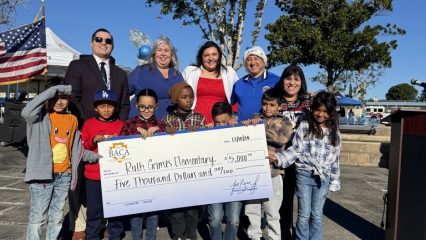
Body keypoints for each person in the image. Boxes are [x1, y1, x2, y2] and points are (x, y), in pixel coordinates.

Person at [64, 28, 130, 240]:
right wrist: (91, 124)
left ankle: (106, 222)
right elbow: (72, 97)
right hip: (84, 130)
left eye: (108, 40)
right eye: (99, 39)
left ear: (113, 45)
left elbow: (124, 104)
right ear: (92, 43)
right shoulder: (78, 66)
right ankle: (79, 224)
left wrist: (120, 128)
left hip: (114, 136)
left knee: (110, 182)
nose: (103, 43)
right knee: (79, 181)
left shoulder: (120, 73)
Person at [21, 85, 100, 240]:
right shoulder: (39, 117)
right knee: (38, 217)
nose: (59, 102)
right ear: (47, 97)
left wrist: (98, 156)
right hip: (42, 176)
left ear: (69, 99)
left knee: (56, 217)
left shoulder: (72, 119)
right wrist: (54, 89)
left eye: (63, 98)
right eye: (54, 98)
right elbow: (26, 111)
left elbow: (77, 149)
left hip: (64, 175)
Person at [269, 91, 341, 240]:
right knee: (303, 214)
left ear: (331, 113)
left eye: (325, 112)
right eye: (317, 110)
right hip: (304, 175)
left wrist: (334, 180)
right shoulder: (304, 126)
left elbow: (335, 159)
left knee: (316, 214)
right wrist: (278, 158)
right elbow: (295, 150)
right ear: (312, 108)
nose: (320, 114)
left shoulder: (335, 132)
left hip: (323, 178)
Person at [244, 88, 293, 240]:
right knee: (252, 209)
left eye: (272, 105)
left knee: (272, 211)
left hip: (274, 172)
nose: (268, 108)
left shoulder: (285, 121)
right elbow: (244, 137)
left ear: (279, 106)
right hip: (254, 172)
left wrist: (258, 129)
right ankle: (255, 236)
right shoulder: (254, 117)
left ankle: (274, 237)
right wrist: (247, 126)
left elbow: (281, 139)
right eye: (265, 104)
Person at [120, 88, 167, 240]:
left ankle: (151, 237)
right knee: (136, 213)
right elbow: (120, 148)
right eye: (142, 106)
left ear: (156, 107)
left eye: (150, 107)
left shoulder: (162, 126)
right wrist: (134, 136)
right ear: (137, 106)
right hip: (134, 177)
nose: (146, 110)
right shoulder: (129, 125)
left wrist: (160, 132)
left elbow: (171, 146)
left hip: (154, 177)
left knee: (153, 213)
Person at [274, 65, 313, 239]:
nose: (292, 83)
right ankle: (285, 233)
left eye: (296, 79)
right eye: (288, 78)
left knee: (306, 204)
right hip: (282, 156)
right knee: (285, 200)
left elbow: (327, 112)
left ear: (302, 82)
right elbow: (263, 118)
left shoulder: (309, 102)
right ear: (282, 80)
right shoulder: (274, 101)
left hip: (304, 159)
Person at [80, 90, 125, 240]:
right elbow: (82, 148)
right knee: (94, 210)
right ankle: (92, 235)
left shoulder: (121, 125)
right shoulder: (89, 124)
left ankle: (115, 235)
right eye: (102, 106)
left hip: (115, 176)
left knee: (116, 208)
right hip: (94, 176)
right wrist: (93, 141)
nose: (106, 110)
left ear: (115, 108)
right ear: (95, 108)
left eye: (110, 106)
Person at [163, 82, 206, 240]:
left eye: (191, 97)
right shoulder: (167, 121)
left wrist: (200, 134)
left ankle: (191, 234)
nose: (189, 100)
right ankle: (178, 235)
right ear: (175, 100)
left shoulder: (200, 119)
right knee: (177, 208)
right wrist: (166, 133)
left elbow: (207, 142)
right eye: (184, 97)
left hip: (194, 170)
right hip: (176, 171)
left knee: (193, 207)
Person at [207, 101, 241, 240]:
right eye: (217, 123)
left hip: (235, 182)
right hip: (215, 183)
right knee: (215, 218)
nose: (220, 126)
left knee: (233, 218)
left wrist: (239, 127)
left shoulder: (241, 130)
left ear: (232, 118)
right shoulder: (208, 132)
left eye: (224, 122)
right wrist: (205, 132)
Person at [128, 36, 184, 119]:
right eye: (159, 50)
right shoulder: (141, 71)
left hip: (170, 124)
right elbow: (123, 93)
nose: (163, 54)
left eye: (166, 50)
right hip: (142, 124)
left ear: (171, 54)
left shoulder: (177, 75)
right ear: (154, 54)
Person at [183, 41, 239, 123]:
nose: (210, 58)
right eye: (206, 55)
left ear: (219, 56)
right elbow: (180, 95)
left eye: (214, 54)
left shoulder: (229, 72)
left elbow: (236, 98)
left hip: (221, 124)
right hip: (195, 123)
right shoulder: (190, 72)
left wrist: (233, 117)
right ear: (201, 57)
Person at [231, 46, 280, 121]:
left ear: (263, 61)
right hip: (243, 129)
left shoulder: (276, 80)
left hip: (268, 129)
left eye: (256, 59)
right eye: (249, 60)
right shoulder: (239, 84)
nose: (252, 63)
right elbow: (229, 105)